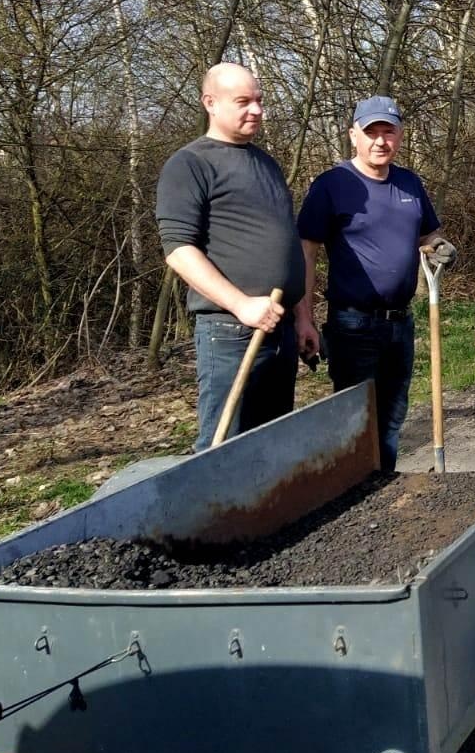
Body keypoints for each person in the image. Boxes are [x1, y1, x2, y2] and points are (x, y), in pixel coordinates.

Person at [296, 96, 454, 471]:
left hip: (401, 322)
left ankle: (382, 491)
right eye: (371, 132)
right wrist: (303, 317)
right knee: (356, 420)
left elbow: (430, 238)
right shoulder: (332, 185)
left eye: (388, 132)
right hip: (353, 324)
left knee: (392, 418)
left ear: (399, 136)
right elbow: (306, 252)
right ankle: (351, 497)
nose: (380, 141)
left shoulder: (409, 183)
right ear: (354, 135)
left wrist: (441, 249)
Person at [156, 62, 308, 451]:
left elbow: (289, 246)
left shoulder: (266, 163)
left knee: (272, 446)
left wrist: (303, 317)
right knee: (223, 451)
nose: (256, 110)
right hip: (230, 332)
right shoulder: (190, 164)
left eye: (258, 101)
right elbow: (178, 250)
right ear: (210, 102)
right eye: (243, 101)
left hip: (280, 328)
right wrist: (241, 305)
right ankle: (213, 514)